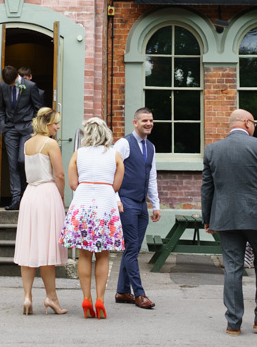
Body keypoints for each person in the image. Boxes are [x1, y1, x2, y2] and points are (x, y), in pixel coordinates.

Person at [201, 109, 257, 336]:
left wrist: (207, 219)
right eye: (254, 123)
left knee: (232, 267)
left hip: (226, 217)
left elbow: (207, 188)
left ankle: (233, 323)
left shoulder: (212, 150)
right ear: (247, 123)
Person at [62, 117, 125, 319]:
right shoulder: (115, 155)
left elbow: (73, 183)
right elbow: (116, 186)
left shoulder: (77, 154)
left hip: (83, 204)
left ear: (86, 133)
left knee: (84, 254)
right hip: (105, 206)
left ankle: (86, 298)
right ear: (106, 131)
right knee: (103, 255)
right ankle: (100, 299)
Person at [14, 107, 68, 315]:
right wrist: (61, 196)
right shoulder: (51, 143)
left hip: (30, 195)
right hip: (47, 193)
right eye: (55, 123)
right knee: (47, 248)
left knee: (29, 247)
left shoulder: (27, 143)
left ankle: (27, 297)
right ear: (46, 124)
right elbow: (60, 175)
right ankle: (51, 297)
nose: (58, 127)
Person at [111, 107, 160, 309]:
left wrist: (155, 204)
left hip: (141, 204)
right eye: (144, 120)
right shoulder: (123, 143)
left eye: (151, 120)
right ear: (135, 122)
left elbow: (152, 177)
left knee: (133, 249)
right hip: (126, 202)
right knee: (132, 249)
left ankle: (122, 291)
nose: (148, 123)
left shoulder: (151, 147)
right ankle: (139, 294)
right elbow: (110, 170)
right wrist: (115, 198)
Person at [0, 65, 41, 210]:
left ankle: (28, 194)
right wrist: (3, 125)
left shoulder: (30, 86)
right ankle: (16, 199)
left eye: (12, 84)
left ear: (17, 76)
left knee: (22, 160)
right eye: (8, 84)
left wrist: (33, 127)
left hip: (26, 129)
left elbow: (38, 109)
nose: (10, 86)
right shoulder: (3, 86)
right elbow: (1, 108)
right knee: (12, 164)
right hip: (10, 129)